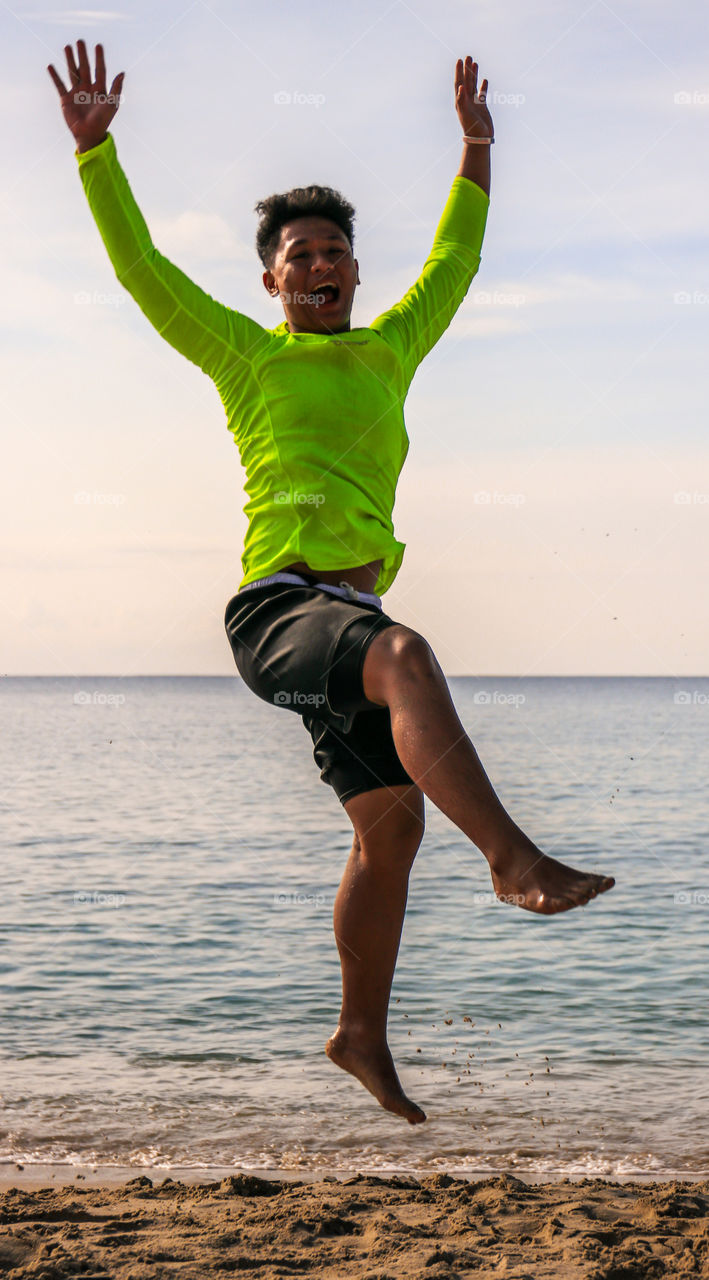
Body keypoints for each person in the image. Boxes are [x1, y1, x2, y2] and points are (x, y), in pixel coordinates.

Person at [48, 40, 615, 1126]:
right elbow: (142, 273)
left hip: (345, 615)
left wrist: (476, 148)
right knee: (403, 654)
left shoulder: (392, 347)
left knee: (388, 826)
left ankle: (357, 1031)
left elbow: (454, 263)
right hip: (276, 611)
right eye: (297, 253)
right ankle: (511, 859)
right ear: (270, 278)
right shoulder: (244, 357)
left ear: (354, 269)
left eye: (333, 251)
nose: (317, 264)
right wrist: (96, 156)